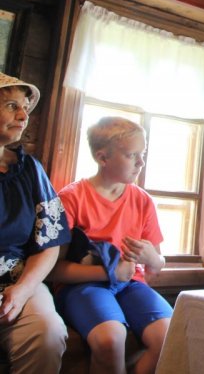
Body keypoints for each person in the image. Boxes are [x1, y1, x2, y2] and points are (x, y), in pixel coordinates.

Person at [50, 117, 171, 374]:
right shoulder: (71, 199)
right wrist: (109, 272)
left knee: (170, 337)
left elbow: (156, 266)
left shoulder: (142, 201)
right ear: (102, 158)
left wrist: (152, 258)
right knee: (110, 339)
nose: (141, 162)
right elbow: (54, 269)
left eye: (143, 154)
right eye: (132, 155)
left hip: (131, 285)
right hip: (83, 286)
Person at [0, 73, 71, 373]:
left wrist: (24, 289)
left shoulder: (30, 169)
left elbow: (49, 243)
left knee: (47, 334)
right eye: (12, 106)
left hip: (17, 280)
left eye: (25, 107)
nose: (23, 115)